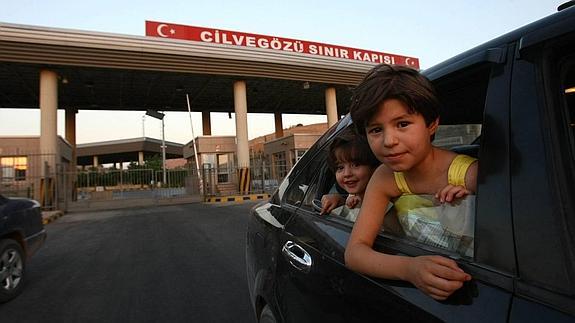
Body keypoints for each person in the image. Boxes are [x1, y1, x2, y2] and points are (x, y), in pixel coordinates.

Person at [345, 63, 478, 301]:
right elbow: (355, 252)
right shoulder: (386, 177)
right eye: (376, 129)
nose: (389, 140)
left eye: (402, 124)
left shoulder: (470, 174)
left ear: (432, 124)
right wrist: (409, 269)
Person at [320, 127, 380, 221]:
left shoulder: (383, 205)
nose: (347, 174)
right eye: (340, 168)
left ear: (375, 167)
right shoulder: (352, 201)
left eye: (356, 165)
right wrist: (341, 201)